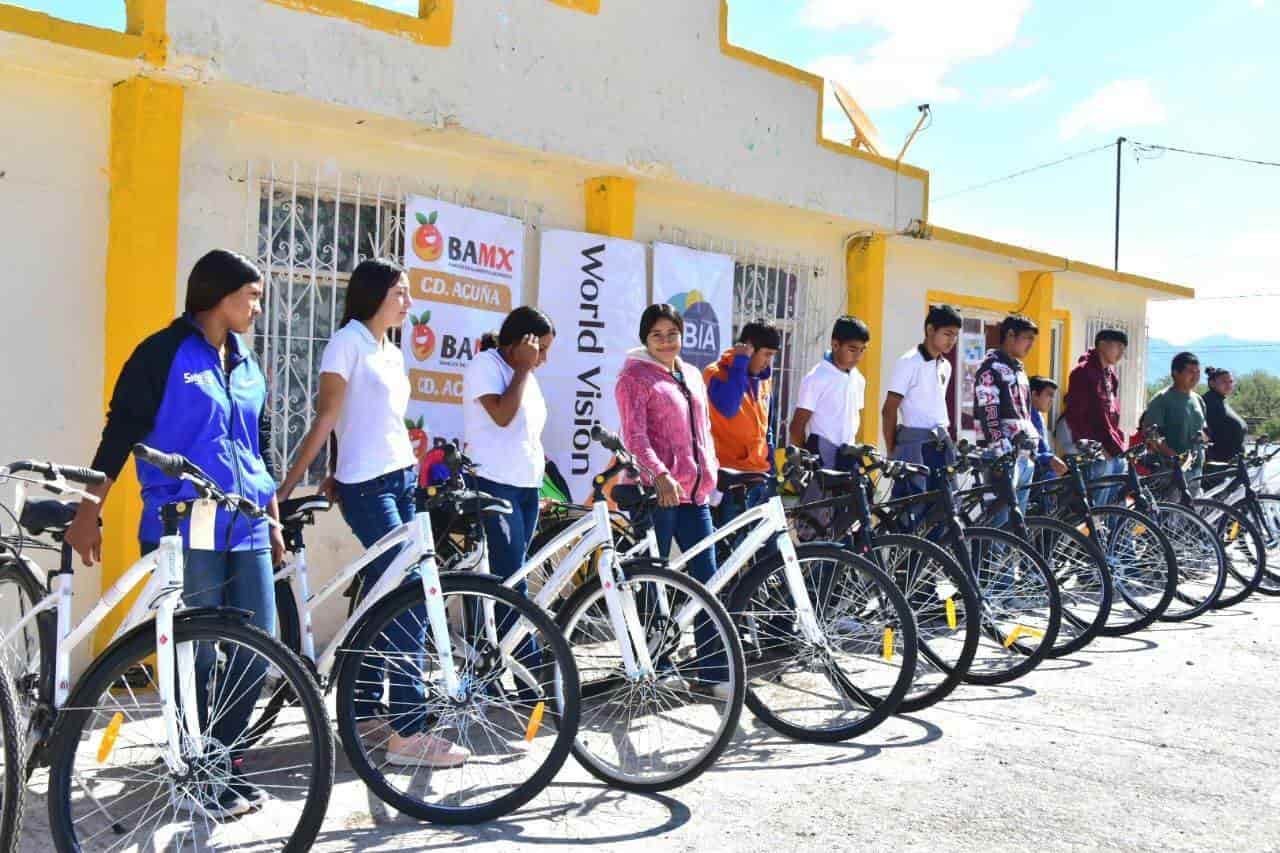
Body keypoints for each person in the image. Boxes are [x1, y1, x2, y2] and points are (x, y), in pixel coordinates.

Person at [64, 249, 283, 817]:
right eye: (251, 295)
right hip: (184, 526)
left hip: (249, 526)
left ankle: (223, 758)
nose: (258, 306)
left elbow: (261, 448)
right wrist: (89, 512)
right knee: (197, 655)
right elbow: (121, 434)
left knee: (258, 648)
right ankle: (195, 769)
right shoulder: (162, 353)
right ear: (217, 294)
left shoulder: (248, 362)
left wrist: (275, 519)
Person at [277, 259, 467, 769]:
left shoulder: (390, 350)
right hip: (368, 488)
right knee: (408, 599)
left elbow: (369, 419)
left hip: (401, 478)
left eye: (408, 292)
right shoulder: (348, 342)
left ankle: (364, 711)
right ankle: (408, 733)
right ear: (373, 294)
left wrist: (336, 466)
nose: (407, 301)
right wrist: (287, 488)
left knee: (389, 596)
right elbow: (328, 418)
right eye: (399, 292)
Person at [615, 303, 728, 693]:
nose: (666, 342)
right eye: (657, 335)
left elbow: (704, 431)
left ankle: (713, 674)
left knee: (707, 583)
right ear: (645, 339)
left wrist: (711, 474)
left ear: (682, 335)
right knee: (653, 582)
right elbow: (634, 439)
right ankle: (653, 667)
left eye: (672, 334)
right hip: (657, 496)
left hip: (695, 497)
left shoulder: (692, 374)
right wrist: (660, 475)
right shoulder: (634, 378)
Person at [463, 306, 554, 585]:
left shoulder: (526, 375)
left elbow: (528, 435)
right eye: (541, 349)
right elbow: (502, 415)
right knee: (512, 580)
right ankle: (518, 631)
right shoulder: (485, 365)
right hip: (494, 483)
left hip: (526, 486)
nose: (544, 358)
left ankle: (505, 631)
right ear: (521, 343)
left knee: (514, 574)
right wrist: (524, 368)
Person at [705, 319, 780, 523]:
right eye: (766, 355)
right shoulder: (715, 373)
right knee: (733, 550)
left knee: (769, 551)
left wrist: (771, 465)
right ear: (748, 348)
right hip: (730, 481)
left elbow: (767, 427)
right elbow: (729, 407)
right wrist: (740, 363)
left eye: (772, 356)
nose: (768, 362)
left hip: (760, 478)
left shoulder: (765, 379)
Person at [883, 304, 962, 494]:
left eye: (955, 335)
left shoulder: (946, 366)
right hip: (914, 443)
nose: (952, 340)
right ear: (930, 330)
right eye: (947, 333)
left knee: (945, 509)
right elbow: (889, 409)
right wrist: (892, 451)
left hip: (941, 444)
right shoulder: (909, 362)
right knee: (910, 510)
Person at [973, 314, 1041, 519]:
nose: (1030, 345)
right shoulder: (990, 369)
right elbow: (988, 411)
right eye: (1027, 338)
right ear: (1011, 335)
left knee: (1015, 523)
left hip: (1024, 455)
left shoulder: (1020, 371)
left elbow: (1026, 415)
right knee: (997, 524)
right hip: (1001, 457)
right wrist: (1000, 450)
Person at [789, 316, 869, 467]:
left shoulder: (858, 379)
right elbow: (796, 427)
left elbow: (854, 421)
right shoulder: (816, 378)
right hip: (821, 455)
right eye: (852, 349)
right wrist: (804, 466)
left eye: (862, 350)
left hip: (848, 456)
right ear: (835, 344)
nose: (858, 357)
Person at [1063, 328, 1128, 505]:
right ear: (1102, 345)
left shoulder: (1111, 376)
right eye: (1118, 346)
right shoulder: (1083, 372)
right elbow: (1075, 415)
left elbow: (1112, 415)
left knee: (1116, 503)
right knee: (1096, 508)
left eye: (1124, 348)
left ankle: (1112, 534)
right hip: (1095, 452)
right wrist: (1093, 447)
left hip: (1113, 448)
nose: (1122, 352)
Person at [1142, 351, 1208, 485]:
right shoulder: (1162, 399)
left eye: (1197, 372)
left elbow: (1205, 429)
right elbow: (1151, 435)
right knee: (1170, 506)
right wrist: (1174, 457)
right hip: (1169, 470)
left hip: (1196, 470)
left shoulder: (1198, 400)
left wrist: (1204, 437)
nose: (1195, 376)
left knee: (1192, 505)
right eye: (1190, 372)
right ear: (1175, 373)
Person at [1203, 367, 1248, 464]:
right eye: (1224, 381)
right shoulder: (1207, 402)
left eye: (1231, 381)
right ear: (1212, 383)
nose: (1229, 385)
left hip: (1234, 463)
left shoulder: (1221, 401)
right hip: (1218, 465)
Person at [1028, 376, 1068, 480]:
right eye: (1049, 395)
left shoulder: (1039, 415)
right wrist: (1049, 458)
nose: (1052, 400)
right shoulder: (1027, 416)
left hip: (1044, 470)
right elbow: (1029, 453)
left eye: (1053, 396)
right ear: (1034, 394)